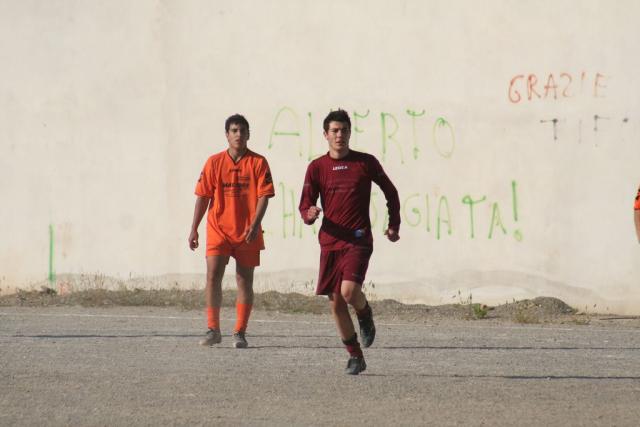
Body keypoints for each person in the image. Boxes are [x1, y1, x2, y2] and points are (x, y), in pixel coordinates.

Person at [299, 109, 400, 375]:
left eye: (344, 130)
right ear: (325, 134)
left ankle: (364, 313)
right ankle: (355, 356)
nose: (339, 135)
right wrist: (309, 214)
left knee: (348, 292)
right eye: (334, 130)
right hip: (330, 242)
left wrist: (394, 224)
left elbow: (390, 192)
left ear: (350, 133)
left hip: (358, 239)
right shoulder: (316, 167)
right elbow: (305, 205)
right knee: (335, 302)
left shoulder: (365, 162)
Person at [189, 114, 275, 348]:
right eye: (234, 130)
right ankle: (213, 329)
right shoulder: (214, 162)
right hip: (218, 229)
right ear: (227, 135)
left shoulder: (258, 162)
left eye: (242, 131)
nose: (238, 134)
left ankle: (240, 332)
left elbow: (264, 196)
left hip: (248, 230)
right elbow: (203, 196)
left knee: (244, 280)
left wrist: (255, 224)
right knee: (212, 275)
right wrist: (194, 228)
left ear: (248, 134)